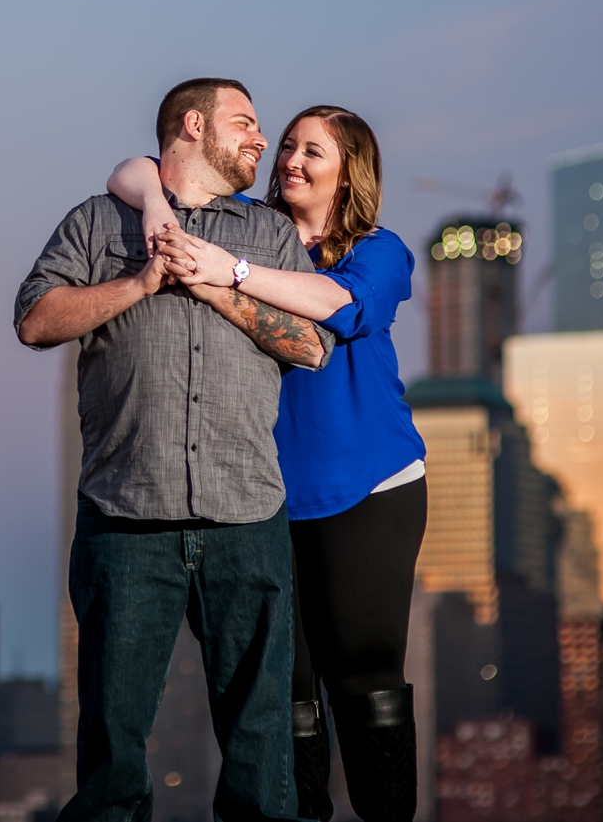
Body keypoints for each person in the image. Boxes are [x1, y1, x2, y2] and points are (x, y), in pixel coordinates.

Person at [16, 78, 335, 822]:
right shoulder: (98, 225)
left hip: (248, 521)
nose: (263, 140)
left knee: (262, 751)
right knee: (111, 749)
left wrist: (218, 288)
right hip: (125, 519)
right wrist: (142, 281)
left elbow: (312, 344)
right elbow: (35, 320)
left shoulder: (267, 235)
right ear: (194, 125)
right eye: (246, 123)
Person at [108, 105, 423, 822]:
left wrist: (230, 270)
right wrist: (161, 206)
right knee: (285, 687)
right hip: (263, 496)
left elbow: (335, 306)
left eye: (313, 151)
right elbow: (129, 171)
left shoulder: (376, 250)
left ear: (349, 174)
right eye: (286, 145)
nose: (290, 160)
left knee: (365, 675)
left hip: (369, 490)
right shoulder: (244, 223)